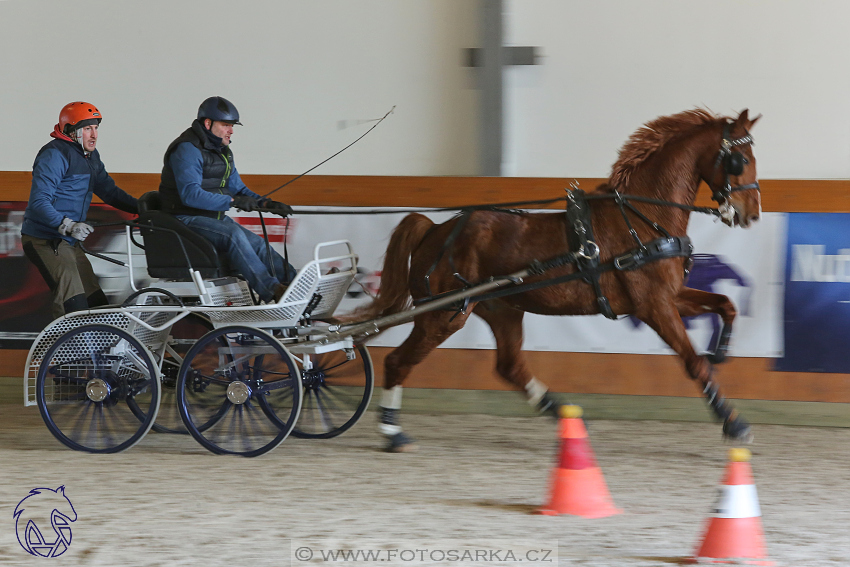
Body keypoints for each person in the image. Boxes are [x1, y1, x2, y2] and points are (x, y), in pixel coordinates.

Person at [158, 96, 296, 303]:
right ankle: (273, 290)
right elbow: (190, 195)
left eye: (232, 126)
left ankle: (297, 285)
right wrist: (232, 202)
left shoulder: (223, 151)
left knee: (258, 245)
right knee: (233, 234)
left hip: (213, 217)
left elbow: (237, 188)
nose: (231, 131)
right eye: (226, 125)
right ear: (207, 123)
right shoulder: (187, 149)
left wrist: (266, 204)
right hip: (184, 219)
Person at [21, 101, 139, 318]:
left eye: (96, 128)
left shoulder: (90, 156)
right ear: (71, 131)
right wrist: (68, 225)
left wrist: (143, 208)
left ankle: (99, 352)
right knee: (73, 303)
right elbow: (38, 203)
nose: (94, 135)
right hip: (46, 239)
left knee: (96, 302)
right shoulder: (54, 154)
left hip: (68, 240)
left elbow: (110, 192)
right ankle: (65, 351)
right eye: (87, 129)